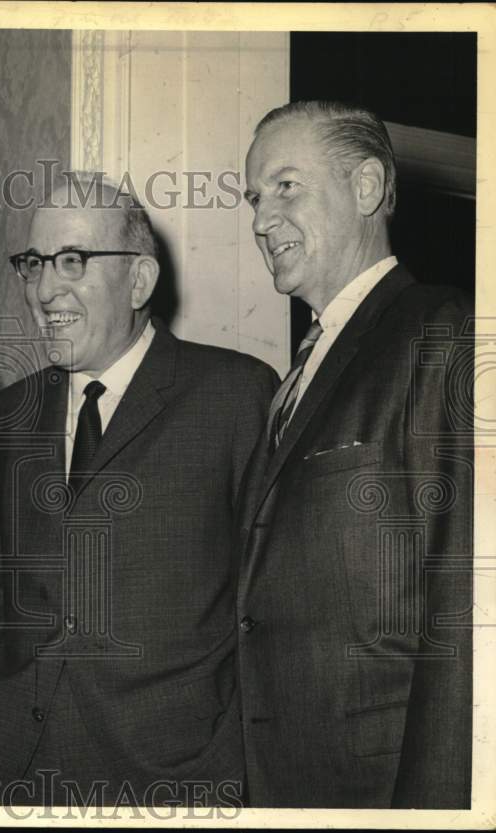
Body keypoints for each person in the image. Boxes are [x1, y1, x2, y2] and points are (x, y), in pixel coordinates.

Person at [0, 177, 278, 806]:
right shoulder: (6, 414)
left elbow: (266, 614)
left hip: (167, 777)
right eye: (34, 264)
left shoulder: (236, 395)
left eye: (73, 261)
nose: (45, 290)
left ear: (141, 281)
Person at [238, 100, 473, 808]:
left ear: (367, 188)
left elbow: (465, 608)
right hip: (285, 781)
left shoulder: (445, 330)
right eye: (254, 197)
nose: (258, 219)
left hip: (381, 787)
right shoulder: (297, 374)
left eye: (286, 186)